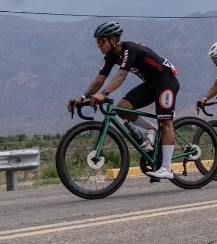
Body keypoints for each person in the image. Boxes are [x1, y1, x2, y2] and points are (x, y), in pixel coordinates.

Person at [67, 22, 180, 181]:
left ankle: (166, 168)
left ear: (113, 40)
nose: (98, 46)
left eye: (101, 41)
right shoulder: (110, 56)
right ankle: (151, 128)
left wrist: (104, 94)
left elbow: (121, 75)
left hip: (166, 82)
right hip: (151, 85)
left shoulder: (130, 49)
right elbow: (99, 80)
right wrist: (82, 98)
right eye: (96, 42)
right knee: (122, 108)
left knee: (166, 123)